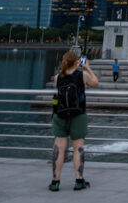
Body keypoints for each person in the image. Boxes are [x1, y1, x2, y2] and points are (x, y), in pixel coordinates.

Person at [50, 51, 98, 191]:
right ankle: (79, 180)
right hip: (78, 114)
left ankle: (55, 181)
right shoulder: (82, 75)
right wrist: (87, 67)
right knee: (78, 147)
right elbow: (95, 83)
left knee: (59, 147)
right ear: (77, 62)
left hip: (60, 114)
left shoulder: (57, 77)